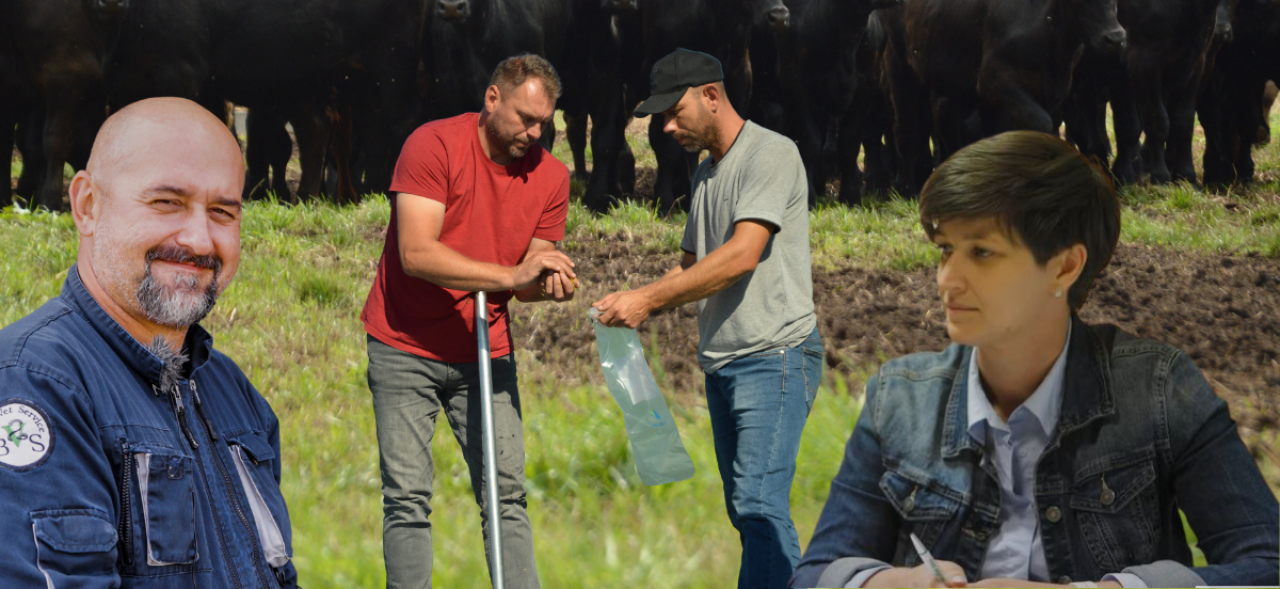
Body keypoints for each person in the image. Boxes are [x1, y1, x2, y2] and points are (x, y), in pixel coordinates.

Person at [790, 131, 1280, 589]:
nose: (946, 280)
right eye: (945, 250)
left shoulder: (1159, 390)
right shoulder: (898, 399)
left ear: (1065, 266)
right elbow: (816, 572)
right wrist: (885, 583)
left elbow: (1266, 561)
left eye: (981, 252)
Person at [0, 97, 299, 587]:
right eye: (167, 203)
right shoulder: (36, 385)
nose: (201, 240)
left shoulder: (232, 393)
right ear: (87, 206)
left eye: (223, 212)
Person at [593, 48, 823, 589]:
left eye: (675, 113)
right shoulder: (705, 174)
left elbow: (742, 255)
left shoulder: (770, 153)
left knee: (759, 502)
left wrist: (648, 298)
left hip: (776, 356)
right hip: (724, 362)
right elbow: (694, 265)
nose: (668, 127)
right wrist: (624, 304)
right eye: (660, 119)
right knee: (746, 511)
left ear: (712, 96)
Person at [362, 54, 577, 589]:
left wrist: (546, 283)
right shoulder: (433, 145)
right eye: (525, 118)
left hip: (485, 345)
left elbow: (524, 283)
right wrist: (512, 275)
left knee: (506, 492)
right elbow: (416, 253)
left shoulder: (551, 177)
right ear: (492, 98)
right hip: (403, 341)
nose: (534, 132)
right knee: (407, 495)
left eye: (544, 123)